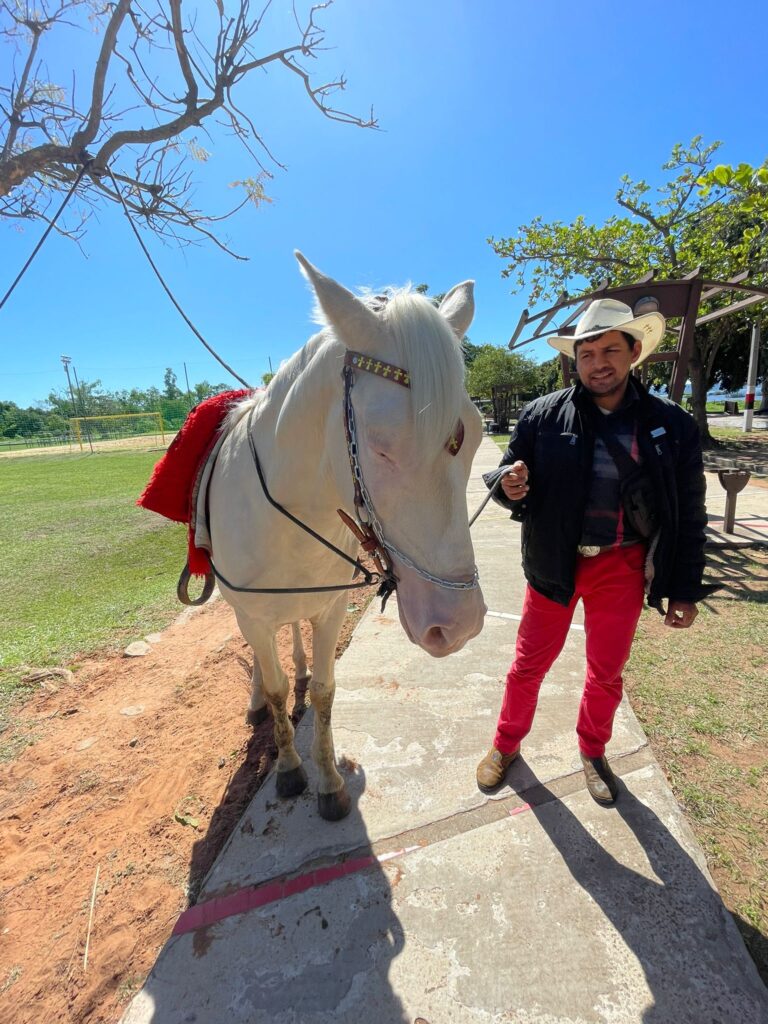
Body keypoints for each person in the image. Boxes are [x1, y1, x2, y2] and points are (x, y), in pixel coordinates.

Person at [476, 297, 716, 805]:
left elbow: (690, 511)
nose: (598, 362)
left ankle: (592, 751)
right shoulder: (542, 415)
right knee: (527, 666)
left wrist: (685, 589)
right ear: (576, 360)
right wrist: (509, 484)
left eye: (610, 349)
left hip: (623, 567)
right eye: (586, 353)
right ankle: (505, 744)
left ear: (634, 353)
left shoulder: (672, 426)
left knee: (606, 671)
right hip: (553, 563)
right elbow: (503, 471)